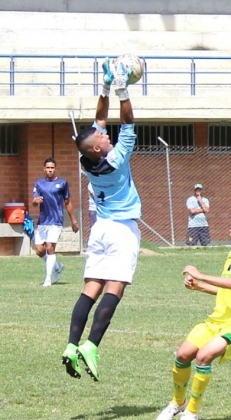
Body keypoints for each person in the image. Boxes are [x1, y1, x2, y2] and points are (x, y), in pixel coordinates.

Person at [61, 57, 142, 382]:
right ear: (98, 149)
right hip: (122, 230)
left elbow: (99, 121)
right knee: (115, 287)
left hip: (100, 230)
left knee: (89, 288)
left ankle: (70, 345)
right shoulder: (117, 159)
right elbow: (128, 122)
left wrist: (105, 87)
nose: (105, 137)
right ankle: (92, 345)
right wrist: (122, 91)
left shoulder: (88, 160)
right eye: (102, 139)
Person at [155, 209, 231, 420]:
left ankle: (192, 411)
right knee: (183, 354)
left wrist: (199, 274)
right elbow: (227, 291)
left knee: (204, 356)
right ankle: (178, 402)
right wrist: (200, 287)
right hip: (216, 320)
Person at [31, 157, 79, 287]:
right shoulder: (39, 183)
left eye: (52, 168)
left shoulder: (62, 183)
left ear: (55, 169)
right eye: (48, 168)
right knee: (40, 250)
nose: (50, 170)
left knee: (50, 247)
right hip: (43, 221)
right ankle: (57, 267)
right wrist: (35, 201)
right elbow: (34, 202)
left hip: (56, 220)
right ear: (44, 169)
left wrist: (74, 221)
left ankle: (48, 279)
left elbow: (67, 203)